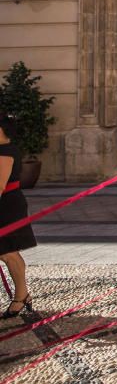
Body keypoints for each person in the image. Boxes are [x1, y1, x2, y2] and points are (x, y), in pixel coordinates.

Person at [0, 113, 37, 319]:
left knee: (7, 252)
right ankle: (22, 295)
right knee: (6, 252)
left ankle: (21, 296)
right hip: (7, 203)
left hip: (7, 206)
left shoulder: (5, 151)